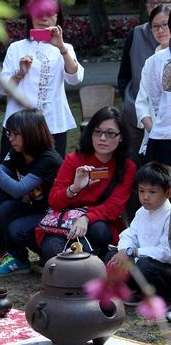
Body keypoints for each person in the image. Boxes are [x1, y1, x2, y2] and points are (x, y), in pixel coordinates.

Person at [36, 107, 136, 263]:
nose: (102, 138)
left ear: (121, 137)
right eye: (97, 132)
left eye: (110, 133)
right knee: (51, 248)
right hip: (65, 225)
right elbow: (54, 201)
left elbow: (115, 206)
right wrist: (74, 188)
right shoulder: (73, 160)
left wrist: (86, 218)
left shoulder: (127, 167)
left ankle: (92, 265)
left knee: (99, 231)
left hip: (99, 225)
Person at [0, 109, 62, 275]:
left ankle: (48, 255)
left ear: (31, 133)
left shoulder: (48, 159)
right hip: (36, 210)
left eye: (16, 134)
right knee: (5, 209)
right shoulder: (17, 153)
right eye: (9, 133)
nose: (11, 138)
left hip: (55, 216)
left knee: (17, 228)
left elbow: (18, 190)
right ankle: (19, 259)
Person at [0, 0, 84, 160]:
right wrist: (20, 74)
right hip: (18, 124)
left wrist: (62, 48)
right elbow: (2, 89)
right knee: (11, 174)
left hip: (52, 123)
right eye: (39, 12)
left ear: (57, 17)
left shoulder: (65, 48)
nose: (44, 17)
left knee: (50, 175)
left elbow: (75, 78)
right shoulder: (16, 48)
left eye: (50, 13)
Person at [117, 0, 171, 166]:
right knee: (137, 167)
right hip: (138, 115)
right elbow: (124, 75)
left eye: (162, 1)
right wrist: (131, 103)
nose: (156, 6)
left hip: (165, 122)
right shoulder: (137, 34)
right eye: (151, 3)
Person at [107, 162, 171, 303]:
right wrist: (124, 251)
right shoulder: (141, 212)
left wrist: (132, 252)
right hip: (139, 259)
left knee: (145, 265)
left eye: (152, 192)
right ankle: (137, 292)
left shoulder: (169, 215)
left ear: (168, 193)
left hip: (163, 268)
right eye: (142, 191)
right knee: (112, 257)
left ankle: (162, 298)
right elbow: (129, 234)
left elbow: (166, 253)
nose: (145, 197)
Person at [135, 5, 171, 158]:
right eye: (156, 26)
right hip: (159, 134)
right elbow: (142, 102)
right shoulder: (151, 62)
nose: (160, 30)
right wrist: (154, 129)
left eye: (165, 24)